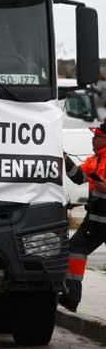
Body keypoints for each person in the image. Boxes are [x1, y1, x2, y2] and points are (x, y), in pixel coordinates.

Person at [63, 121, 106, 312]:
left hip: (97, 222)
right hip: (95, 222)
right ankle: (71, 298)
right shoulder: (94, 160)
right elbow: (78, 177)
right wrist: (64, 159)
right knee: (74, 250)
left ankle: (71, 297)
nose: (93, 139)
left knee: (75, 250)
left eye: (97, 136)